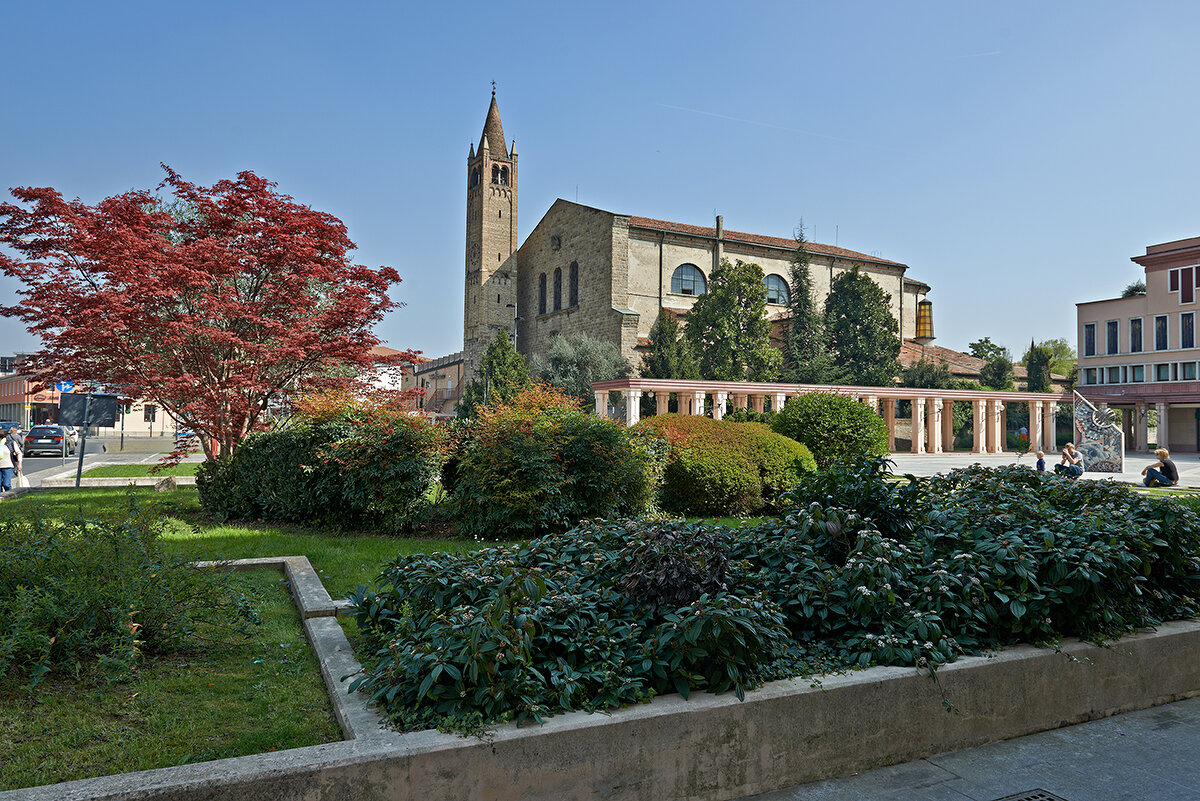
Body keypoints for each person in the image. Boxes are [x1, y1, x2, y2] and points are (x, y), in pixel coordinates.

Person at [0, 425, 19, 492]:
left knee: (6, 484)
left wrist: (19, 463)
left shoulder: (10, 443)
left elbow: (19, 453)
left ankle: (10, 495)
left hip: (8, 466)